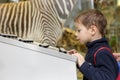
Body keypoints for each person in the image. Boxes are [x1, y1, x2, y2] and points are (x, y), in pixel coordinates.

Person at [67, 9, 119, 80]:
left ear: (93, 30)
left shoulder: (102, 53)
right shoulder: (94, 49)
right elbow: (93, 70)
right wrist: (78, 62)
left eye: (79, 30)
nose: (76, 34)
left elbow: (107, 78)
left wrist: (83, 64)